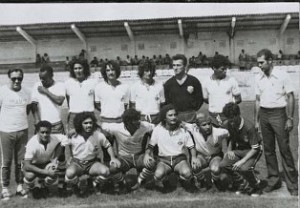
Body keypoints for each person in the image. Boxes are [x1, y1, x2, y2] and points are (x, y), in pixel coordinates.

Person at [255, 49, 298, 196]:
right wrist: (256, 121)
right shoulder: (258, 78)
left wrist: (290, 118)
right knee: (268, 150)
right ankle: (273, 180)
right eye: (258, 63)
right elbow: (257, 100)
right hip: (264, 114)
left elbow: (291, 96)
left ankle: (293, 184)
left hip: (279, 114)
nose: (259, 66)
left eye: (262, 62)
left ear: (270, 61)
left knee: (284, 149)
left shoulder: (282, 75)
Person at [144, 104, 199, 192]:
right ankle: (165, 181)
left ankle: (182, 180)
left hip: (179, 160)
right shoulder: (158, 129)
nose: (173, 117)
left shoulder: (183, 129)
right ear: (164, 117)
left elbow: (191, 147)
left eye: (175, 115)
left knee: (187, 173)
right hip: (163, 160)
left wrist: (194, 157)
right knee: (158, 175)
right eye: (170, 115)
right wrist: (147, 155)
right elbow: (150, 146)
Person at [64, 112, 120, 195]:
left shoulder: (98, 135)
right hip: (77, 163)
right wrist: (69, 157)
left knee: (106, 171)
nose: (89, 125)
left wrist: (112, 157)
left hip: (92, 163)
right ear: (80, 124)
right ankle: (77, 185)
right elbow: (67, 144)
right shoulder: (73, 135)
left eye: (90, 123)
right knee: (69, 173)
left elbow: (108, 145)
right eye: (85, 123)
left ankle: (94, 184)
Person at [101, 109, 156, 192]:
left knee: (151, 163)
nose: (139, 122)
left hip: (139, 156)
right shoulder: (116, 128)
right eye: (135, 120)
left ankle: (140, 183)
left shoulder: (145, 126)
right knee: (112, 167)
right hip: (124, 158)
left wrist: (148, 153)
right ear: (127, 122)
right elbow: (101, 127)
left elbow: (159, 128)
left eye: (139, 119)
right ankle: (122, 184)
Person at [0, 68, 31, 200]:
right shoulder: (2, 91)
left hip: (23, 130)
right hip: (6, 131)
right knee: (6, 162)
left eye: (19, 78)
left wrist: (19, 124)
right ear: (9, 78)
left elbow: (27, 110)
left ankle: (20, 186)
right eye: (14, 78)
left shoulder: (27, 92)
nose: (17, 81)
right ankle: (5, 188)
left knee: (21, 162)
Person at [219, 103, 262, 197]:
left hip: (253, 150)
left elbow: (255, 148)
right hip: (241, 149)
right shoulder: (230, 124)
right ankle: (242, 183)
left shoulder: (249, 127)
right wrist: (229, 150)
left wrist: (241, 161)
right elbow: (231, 138)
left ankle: (256, 187)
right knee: (223, 164)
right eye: (228, 118)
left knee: (244, 168)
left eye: (232, 118)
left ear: (238, 114)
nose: (230, 121)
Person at [23, 121, 68, 199]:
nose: (45, 135)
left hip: (44, 162)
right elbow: (27, 165)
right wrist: (46, 172)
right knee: (29, 176)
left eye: (47, 132)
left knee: (54, 171)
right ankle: (32, 188)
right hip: (31, 165)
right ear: (37, 132)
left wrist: (55, 160)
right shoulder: (32, 144)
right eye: (42, 132)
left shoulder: (54, 138)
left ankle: (44, 186)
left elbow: (64, 140)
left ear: (50, 131)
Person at [184, 113, 229, 190]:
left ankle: (216, 181)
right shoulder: (194, 129)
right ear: (197, 126)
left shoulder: (219, 132)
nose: (208, 127)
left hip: (215, 156)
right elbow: (180, 123)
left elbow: (229, 134)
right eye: (204, 125)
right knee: (195, 165)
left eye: (209, 124)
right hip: (202, 156)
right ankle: (202, 181)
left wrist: (227, 151)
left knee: (215, 168)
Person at [203, 54, 241, 126]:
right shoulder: (206, 82)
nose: (225, 71)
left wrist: (228, 106)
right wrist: (216, 103)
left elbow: (238, 99)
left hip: (227, 116)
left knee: (229, 135)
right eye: (222, 69)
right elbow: (206, 99)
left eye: (226, 69)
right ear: (214, 68)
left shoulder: (231, 80)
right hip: (212, 116)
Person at [164, 54, 203, 123]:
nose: (175, 68)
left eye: (178, 65)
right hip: (175, 117)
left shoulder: (194, 81)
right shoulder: (168, 84)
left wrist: (192, 110)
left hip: (191, 116)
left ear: (185, 66)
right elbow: (167, 102)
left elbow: (200, 99)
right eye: (174, 65)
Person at [64, 59, 98, 132]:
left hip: (89, 115)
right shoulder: (68, 83)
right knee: (73, 140)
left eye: (80, 68)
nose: (77, 71)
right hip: (74, 115)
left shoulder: (93, 82)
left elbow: (96, 101)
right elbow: (68, 99)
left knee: (90, 140)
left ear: (84, 69)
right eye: (75, 69)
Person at [31, 65, 66, 134]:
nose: (41, 80)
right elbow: (33, 104)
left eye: (44, 78)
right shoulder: (37, 85)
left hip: (56, 125)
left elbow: (59, 101)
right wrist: (36, 119)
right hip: (42, 124)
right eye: (40, 78)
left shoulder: (60, 85)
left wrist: (46, 91)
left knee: (58, 144)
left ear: (51, 76)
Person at [130, 59, 165, 124]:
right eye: (146, 71)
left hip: (156, 119)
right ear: (141, 71)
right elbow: (133, 107)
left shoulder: (160, 86)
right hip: (141, 119)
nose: (149, 73)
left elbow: (163, 105)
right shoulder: (134, 87)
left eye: (151, 70)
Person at [95, 60, 130, 124]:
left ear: (117, 71)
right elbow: (97, 105)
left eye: (113, 70)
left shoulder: (125, 87)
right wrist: (107, 111)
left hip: (120, 121)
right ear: (105, 72)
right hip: (105, 121)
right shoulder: (99, 87)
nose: (111, 72)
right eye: (108, 70)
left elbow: (125, 105)